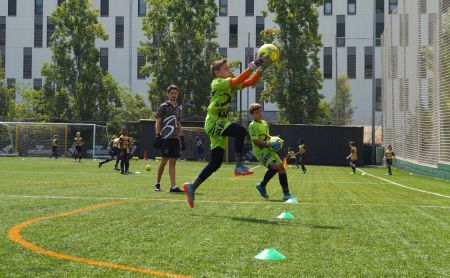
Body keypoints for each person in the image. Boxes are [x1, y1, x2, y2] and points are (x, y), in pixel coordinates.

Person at [183, 56, 269, 208]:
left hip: (219, 123)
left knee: (216, 163)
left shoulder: (228, 84)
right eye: (226, 69)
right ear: (217, 72)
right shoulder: (218, 83)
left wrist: (261, 68)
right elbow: (237, 80)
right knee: (241, 131)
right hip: (215, 122)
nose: (229, 71)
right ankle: (239, 164)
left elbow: (249, 82)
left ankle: (192, 186)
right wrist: (252, 66)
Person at [248, 103, 293, 201]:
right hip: (260, 151)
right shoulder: (252, 125)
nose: (259, 114)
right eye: (256, 112)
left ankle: (286, 194)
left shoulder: (264, 123)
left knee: (281, 168)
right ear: (252, 114)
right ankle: (262, 185)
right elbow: (255, 141)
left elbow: (267, 137)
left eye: (260, 111)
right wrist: (269, 144)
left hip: (269, 149)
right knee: (275, 166)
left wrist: (275, 140)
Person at [153, 85, 185, 193]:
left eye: (175, 93)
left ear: (177, 94)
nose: (174, 95)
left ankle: (173, 186)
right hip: (165, 137)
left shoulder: (178, 109)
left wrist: (182, 138)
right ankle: (157, 183)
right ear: (168, 94)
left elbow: (179, 123)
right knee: (164, 161)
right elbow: (157, 121)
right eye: (172, 93)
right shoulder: (163, 106)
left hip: (175, 138)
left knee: (173, 161)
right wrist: (158, 135)